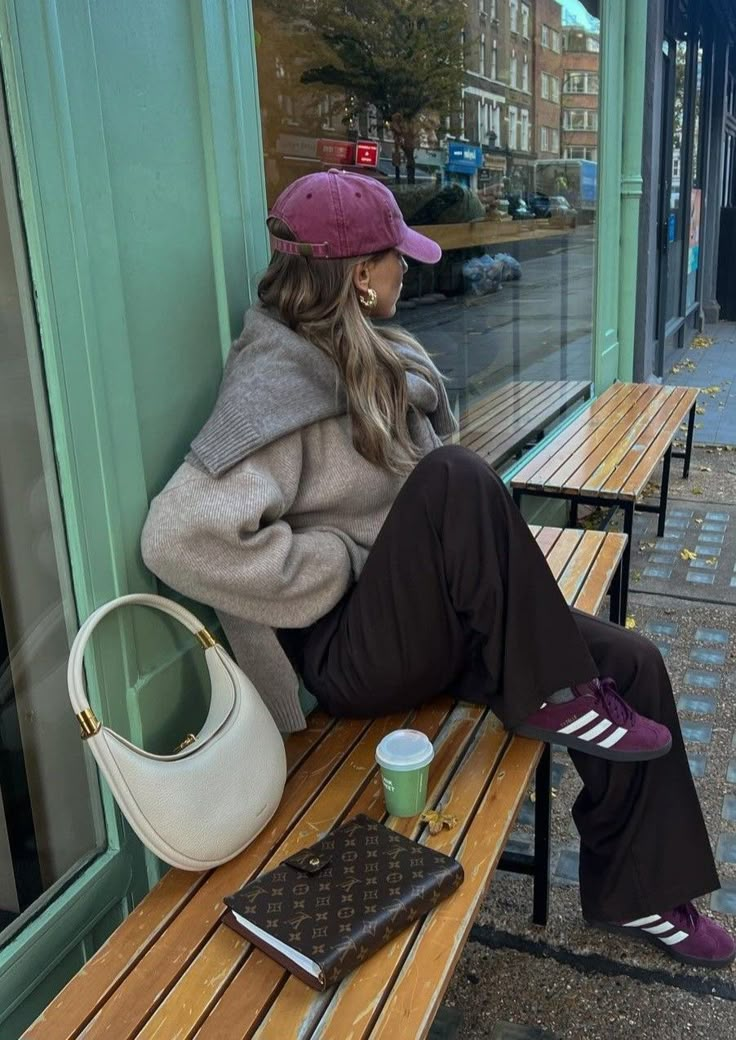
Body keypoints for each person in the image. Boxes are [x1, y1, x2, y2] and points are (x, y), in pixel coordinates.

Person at [141, 169, 734, 969]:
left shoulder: (375, 354)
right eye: (395, 258)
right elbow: (176, 538)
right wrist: (337, 563)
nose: (408, 269)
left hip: (423, 628)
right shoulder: (272, 386)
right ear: (358, 275)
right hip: (355, 657)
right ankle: (555, 694)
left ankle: (642, 896)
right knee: (455, 474)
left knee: (636, 662)